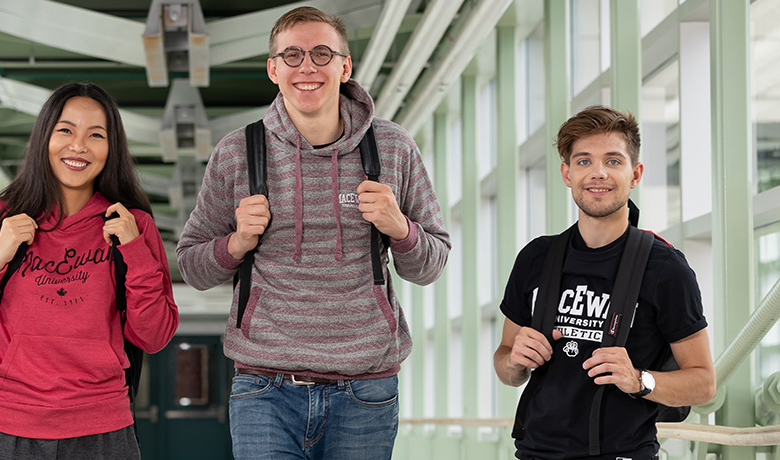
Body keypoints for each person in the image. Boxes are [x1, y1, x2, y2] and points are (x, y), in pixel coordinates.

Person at [175, 6, 450, 460]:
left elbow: (432, 265)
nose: (307, 67)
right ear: (273, 69)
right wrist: (237, 243)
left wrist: (400, 228)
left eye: (322, 54)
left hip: (366, 388)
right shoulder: (236, 153)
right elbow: (192, 267)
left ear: (344, 67)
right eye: (293, 55)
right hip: (264, 386)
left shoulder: (394, 147)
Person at [0, 82, 179, 460]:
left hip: (104, 428)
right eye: (65, 130)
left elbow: (155, 335)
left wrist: (135, 251)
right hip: (8, 426)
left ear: (111, 148)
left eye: (95, 135)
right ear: (44, 138)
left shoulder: (133, 226)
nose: (78, 146)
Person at [492, 106, 715, 459]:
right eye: (583, 161)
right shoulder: (537, 258)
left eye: (613, 161)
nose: (598, 173)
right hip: (534, 452)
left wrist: (640, 380)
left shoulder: (665, 268)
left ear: (635, 173)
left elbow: (703, 383)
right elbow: (506, 365)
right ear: (567, 173)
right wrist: (515, 362)